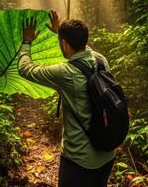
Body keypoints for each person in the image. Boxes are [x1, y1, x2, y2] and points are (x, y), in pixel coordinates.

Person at [18, 11, 115, 187]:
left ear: (64, 44)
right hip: (107, 153)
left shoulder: (65, 72)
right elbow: (87, 49)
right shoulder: (101, 60)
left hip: (79, 160)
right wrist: (61, 33)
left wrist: (26, 41)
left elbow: (26, 69)